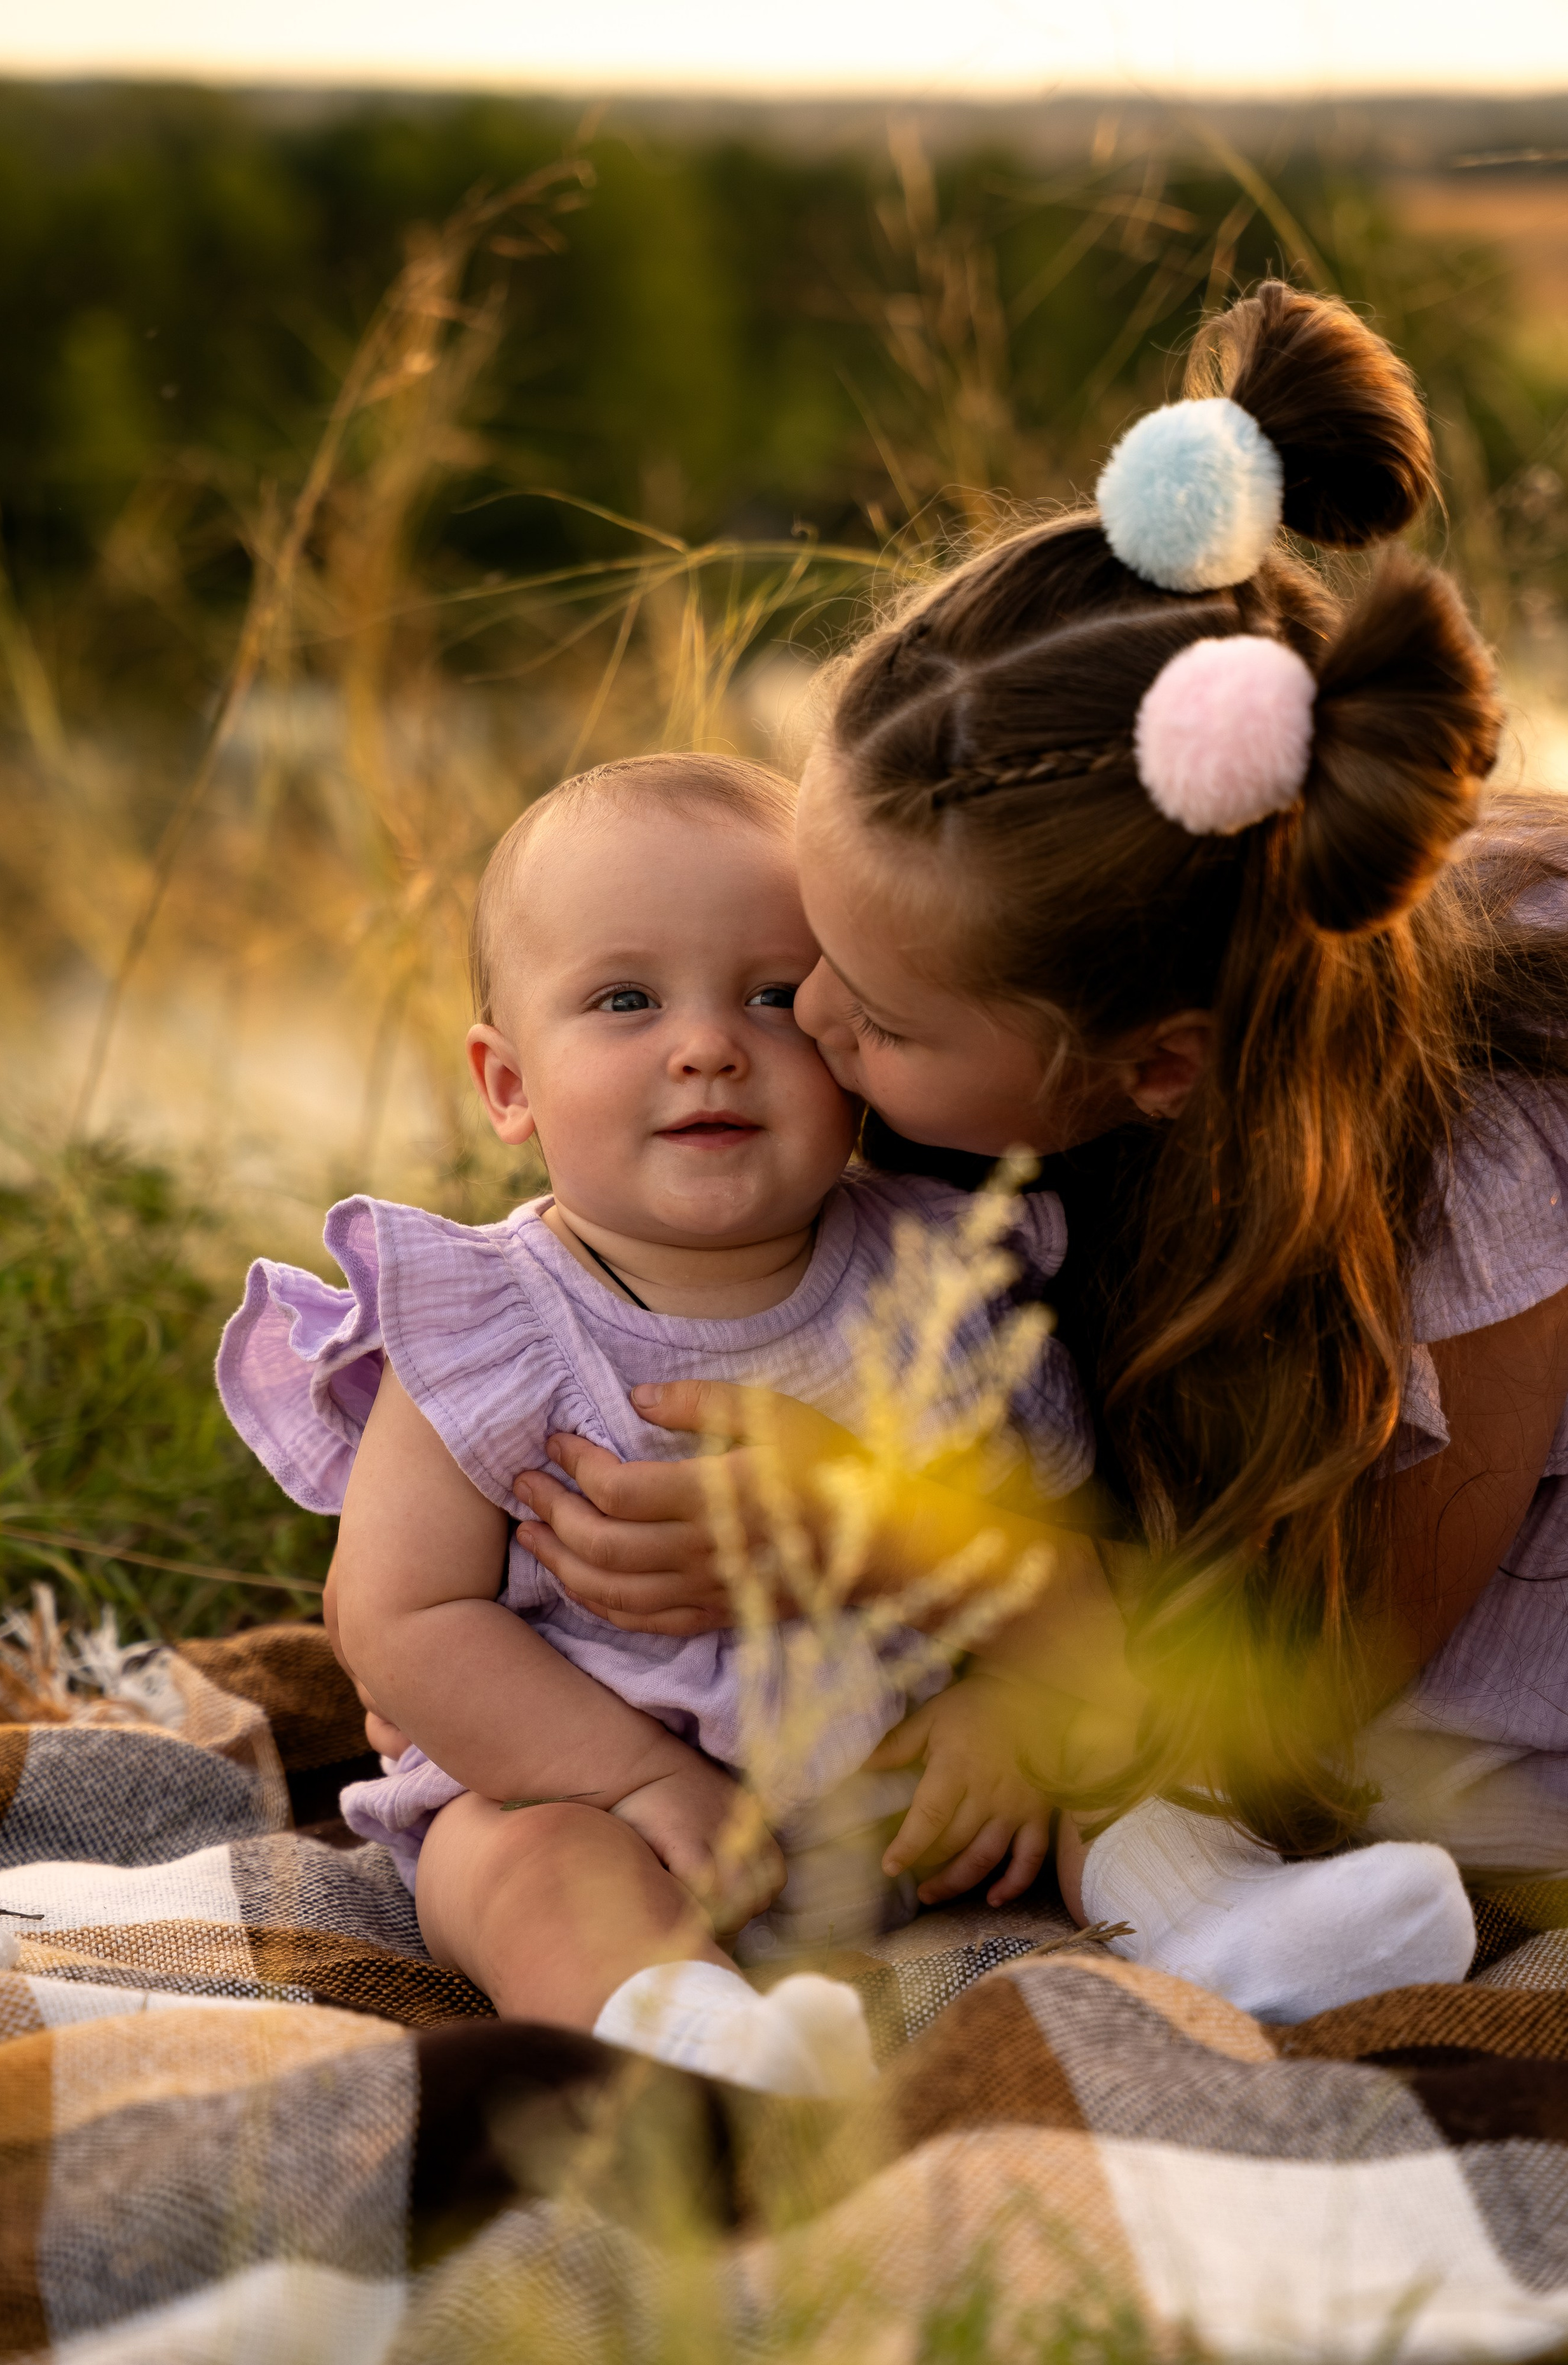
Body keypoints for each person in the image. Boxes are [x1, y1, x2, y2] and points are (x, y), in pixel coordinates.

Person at [504, 281, 1568, 2008]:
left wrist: (888, 1541)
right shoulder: (1075, 938)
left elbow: (1308, 1697)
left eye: (885, 1017)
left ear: (1153, 1072)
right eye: (808, 955)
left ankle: (1254, 1933)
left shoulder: (1473, 1174)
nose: (812, 1029)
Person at [219, 750, 1094, 2095]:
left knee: (1116, 1759)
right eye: (625, 999)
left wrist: (1022, 1700)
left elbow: (1065, 1551)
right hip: (595, 1790)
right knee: (520, 1864)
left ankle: (1229, 1917)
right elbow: (394, 1619)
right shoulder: (485, 1318)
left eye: (770, 996)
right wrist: (630, 1782)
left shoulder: (949, 1273)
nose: (707, 1046)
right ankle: (682, 2039)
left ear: (854, 1043)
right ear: (506, 1084)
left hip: (913, 1798)